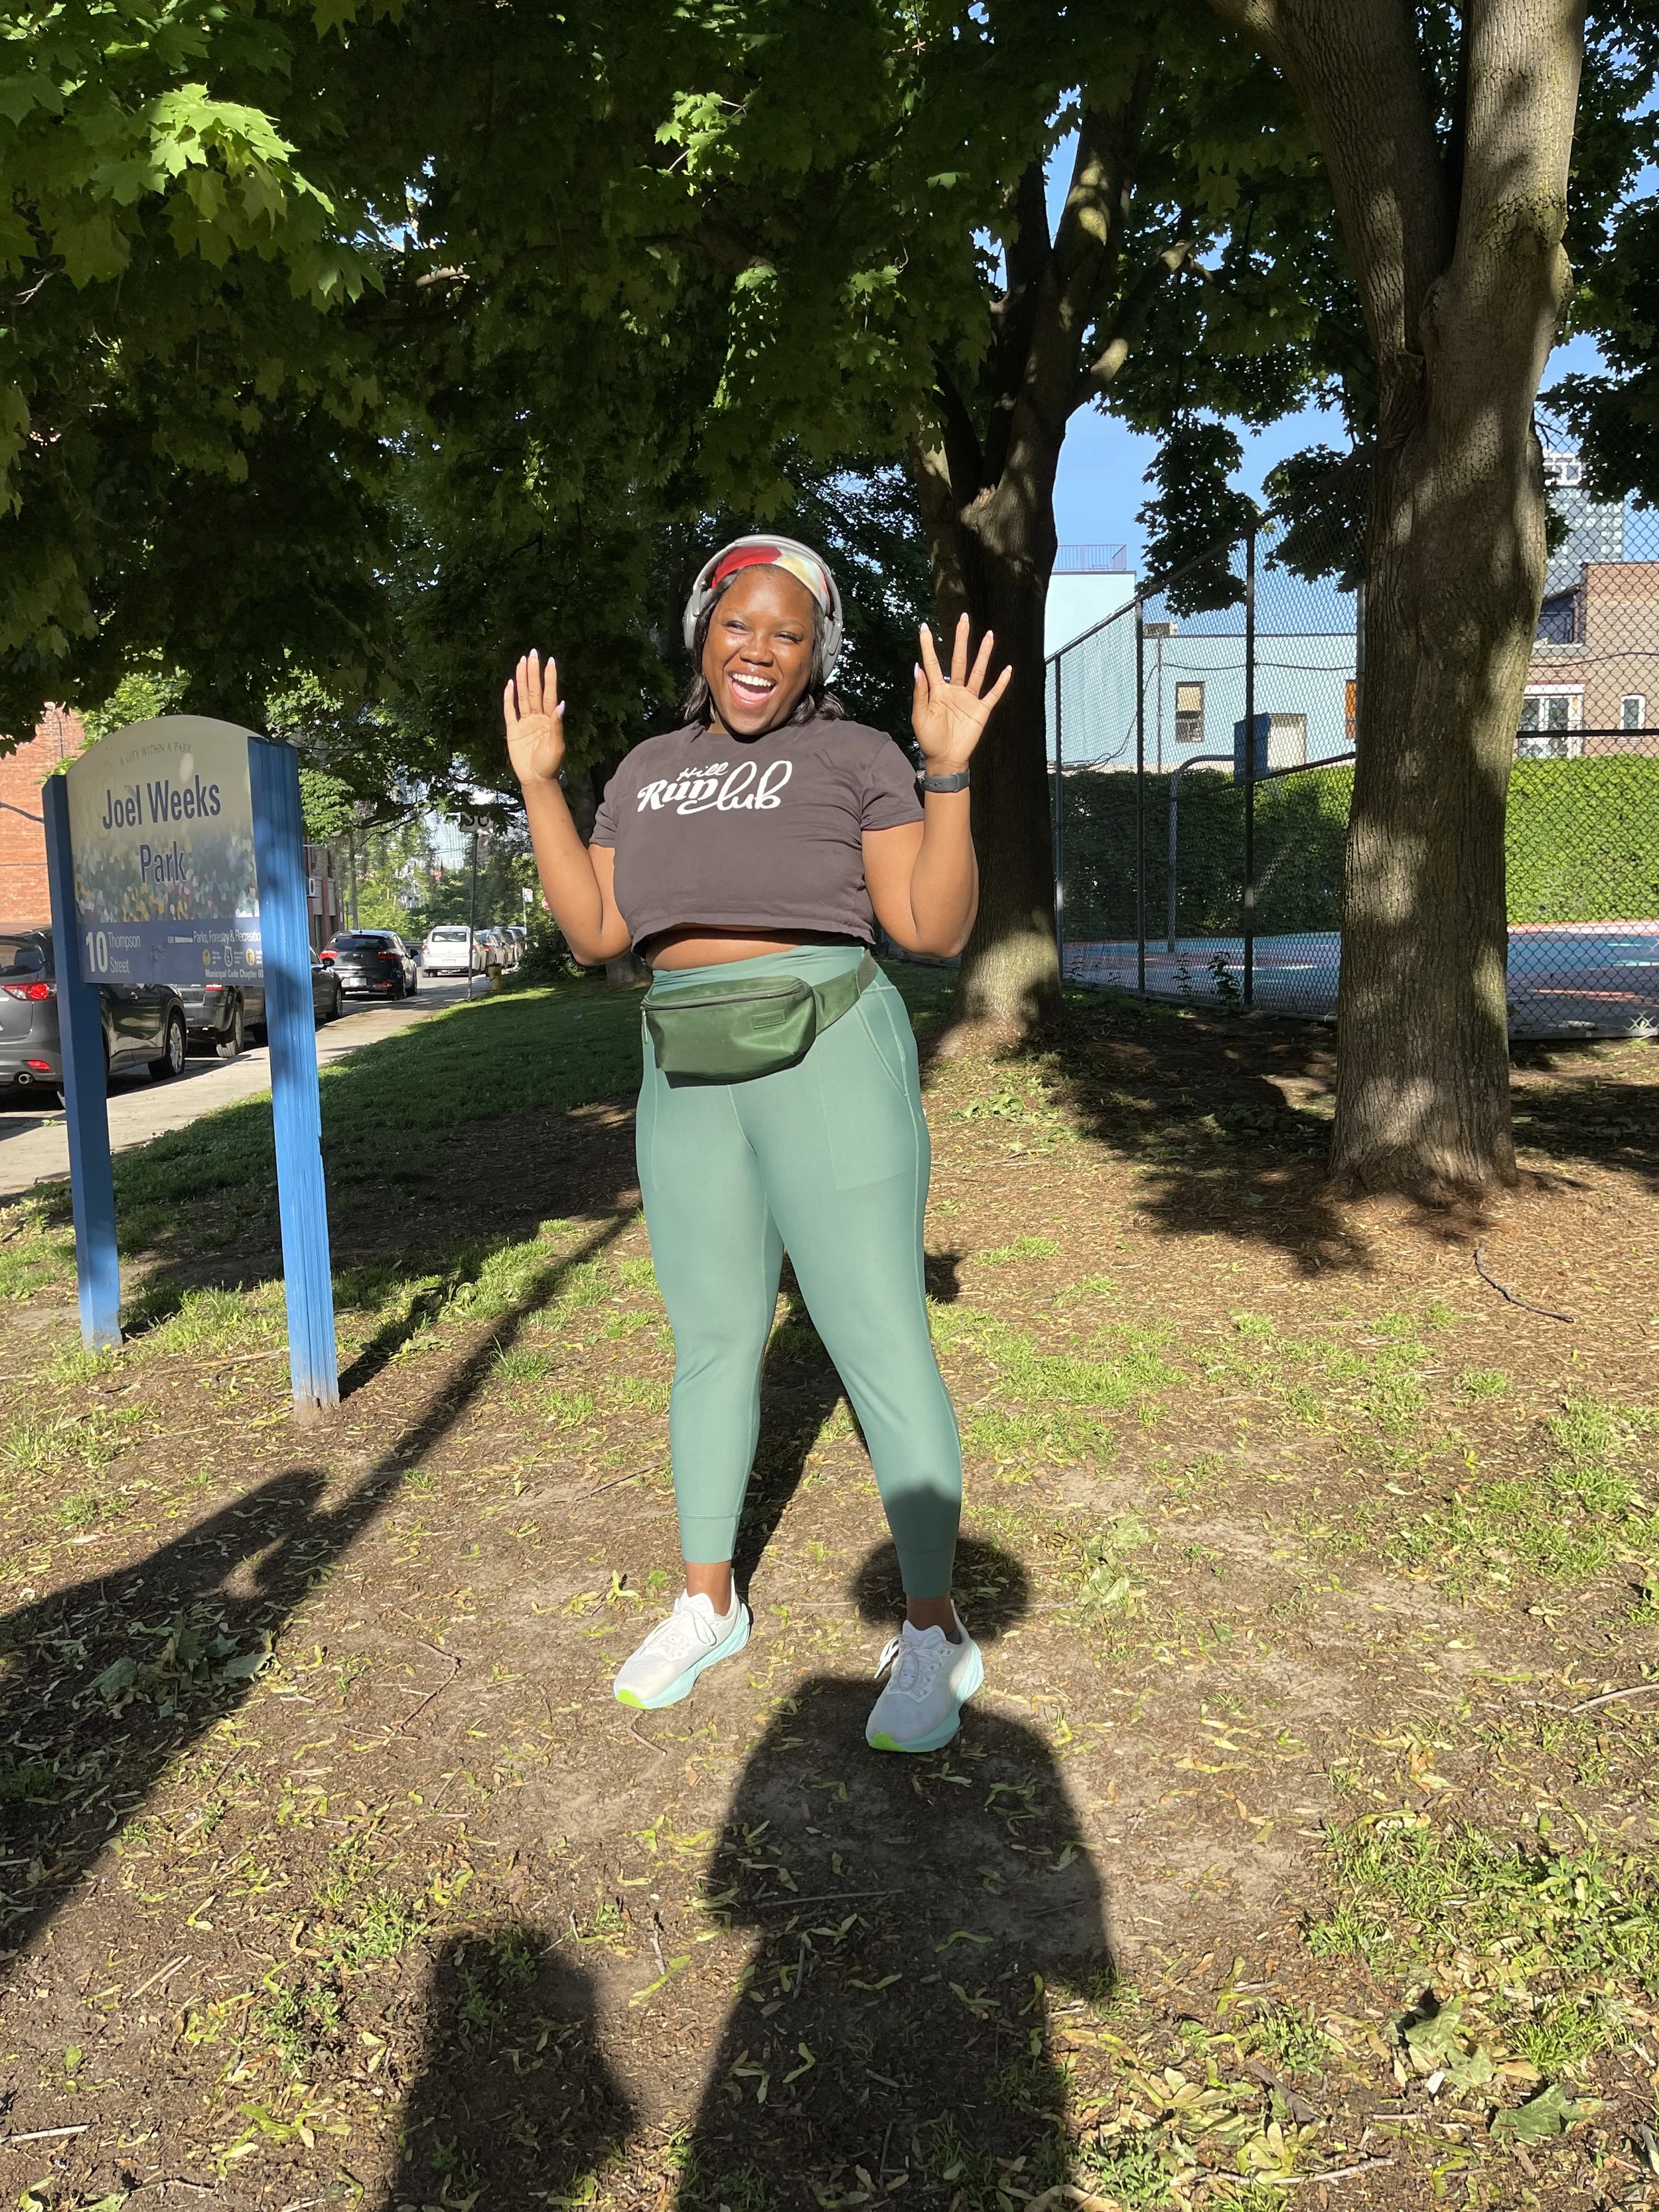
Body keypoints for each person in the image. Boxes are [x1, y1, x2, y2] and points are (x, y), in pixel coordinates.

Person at [503, 534, 1010, 1751]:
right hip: (684, 1061)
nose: (760, 650)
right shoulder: (644, 767)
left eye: (789, 633)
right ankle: (706, 1605)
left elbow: (931, 927)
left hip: (829, 1043)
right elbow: (597, 931)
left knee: (878, 1336)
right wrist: (541, 786)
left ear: (815, 653)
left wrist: (948, 775)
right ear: (703, 631)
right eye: (740, 625)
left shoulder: (855, 754)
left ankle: (934, 1632)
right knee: (714, 1342)